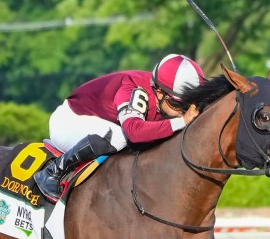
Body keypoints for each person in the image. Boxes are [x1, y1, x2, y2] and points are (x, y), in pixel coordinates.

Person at [33, 53, 205, 203]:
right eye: (177, 105)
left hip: (98, 125)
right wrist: (182, 121)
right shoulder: (133, 89)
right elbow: (134, 132)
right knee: (121, 136)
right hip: (69, 122)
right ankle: (53, 171)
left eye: (188, 106)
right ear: (159, 92)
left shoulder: (165, 96)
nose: (181, 112)